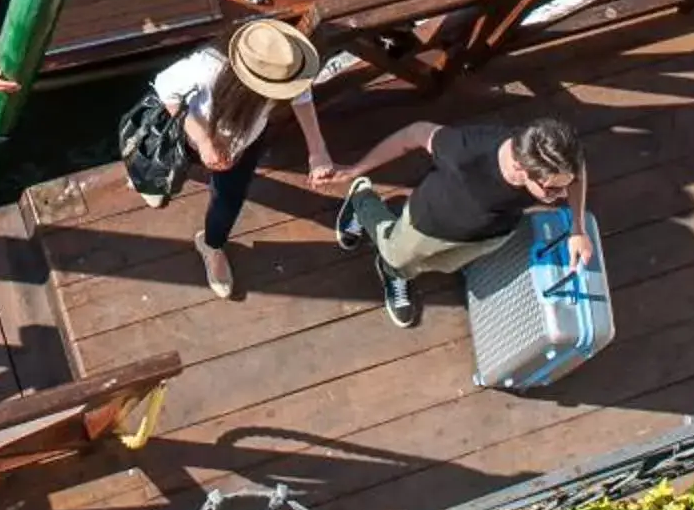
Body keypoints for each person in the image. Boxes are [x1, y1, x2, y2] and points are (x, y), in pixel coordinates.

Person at [135, 20, 344, 300]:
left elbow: (301, 95)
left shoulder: (288, 64)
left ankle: (212, 245)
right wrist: (204, 141)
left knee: (229, 199)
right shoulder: (208, 65)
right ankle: (152, 184)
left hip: (244, 143)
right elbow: (165, 89)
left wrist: (317, 149)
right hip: (194, 131)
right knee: (160, 165)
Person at [336, 114, 589, 327]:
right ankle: (363, 200)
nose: (563, 195)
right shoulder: (467, 149)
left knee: (444, 265)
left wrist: (578, 229)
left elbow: (576, 174)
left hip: (491, 234)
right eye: (552, 190)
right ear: (521, 169)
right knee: (395, 255)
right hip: (429, 223)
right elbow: (415, 133)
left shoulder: (554, 161)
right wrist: (357, 169)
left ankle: (401, 271)